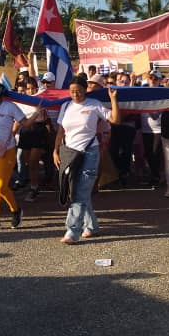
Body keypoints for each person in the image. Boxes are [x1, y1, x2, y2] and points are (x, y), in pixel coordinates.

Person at [53, 76, 120, 244]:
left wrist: (113, 100)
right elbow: (61, 130)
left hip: (90, 152)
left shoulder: (94, 104)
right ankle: (92, 226)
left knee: (81, 191)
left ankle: (73, 230)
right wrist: (55, 151)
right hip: (69, 153)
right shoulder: (66, 106)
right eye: (72, 91)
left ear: (85, 90)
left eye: (79, 91)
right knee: (76, 189)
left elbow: (114, 119)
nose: (75, 94)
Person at [0, 81, 44, 230]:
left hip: (6, 150)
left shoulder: (10, 106)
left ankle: (16, 210)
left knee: (1, 186)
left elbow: (24, 123)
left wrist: (36, 113)